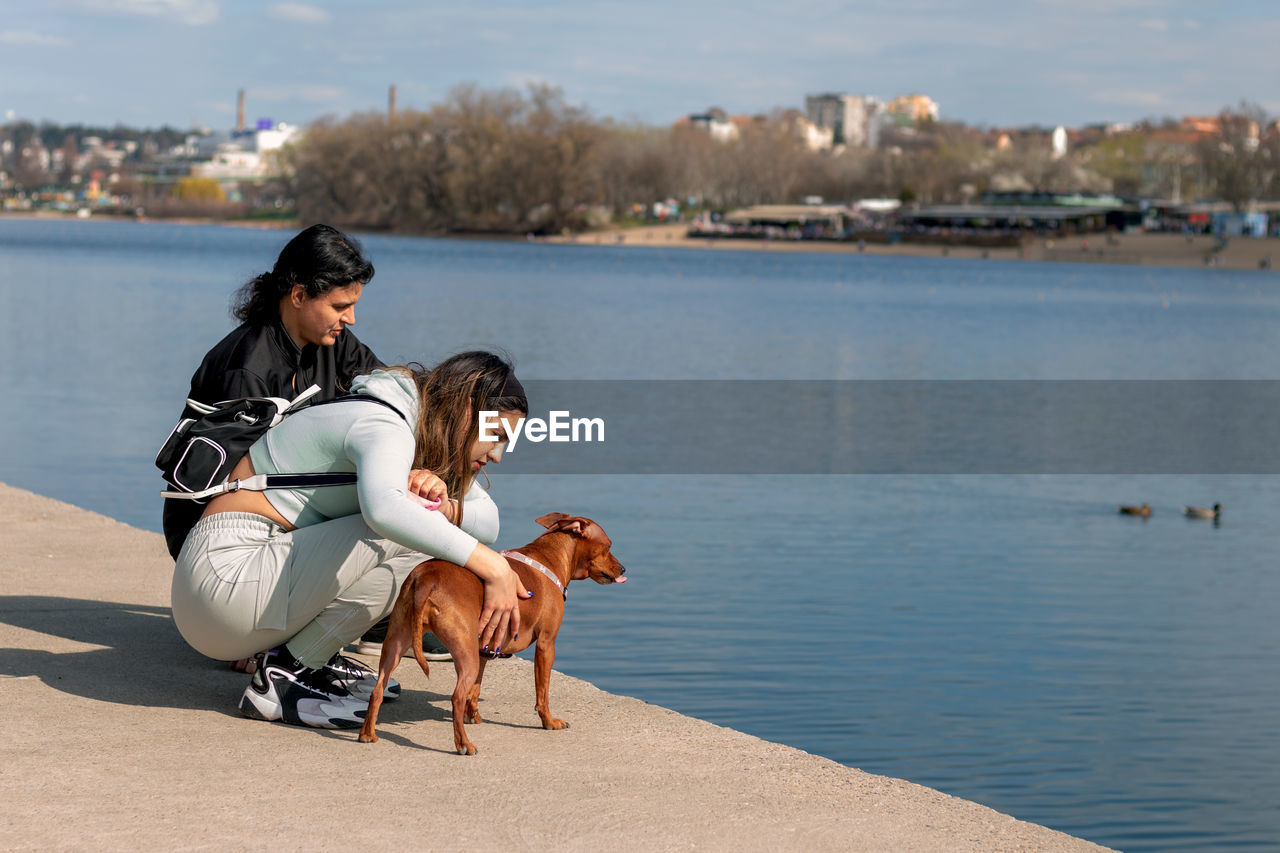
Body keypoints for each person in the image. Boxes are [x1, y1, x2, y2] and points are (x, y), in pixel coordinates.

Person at [170, 352, 533, 729]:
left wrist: (444, 509)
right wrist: (494, 567)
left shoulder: (415, 426)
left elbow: (487, 520)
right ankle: (284, 678)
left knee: (423, 519)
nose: (499, 454)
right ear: (466, 408)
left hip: (235, 589)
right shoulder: (383, 422)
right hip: (223, 576)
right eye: (496, 435)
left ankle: (306, 659)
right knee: (413, 524)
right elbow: (384, 511)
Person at [162, 223, 451, 663]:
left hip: (293, 508)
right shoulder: (246, 370)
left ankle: (377, 618)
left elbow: (394, 404)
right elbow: (227, 489)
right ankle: (264, 629)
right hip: (214, 533)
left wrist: (420, 466)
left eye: (352, 305)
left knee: (402, 491)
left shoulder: (335, 342)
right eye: (340, 306)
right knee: (386, 507)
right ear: (298, 296)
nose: (349, 318)